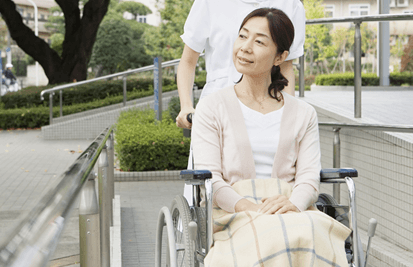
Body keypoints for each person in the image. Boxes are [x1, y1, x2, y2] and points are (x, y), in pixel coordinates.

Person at [192, 8, 350, 266]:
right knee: (271, 235)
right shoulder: (212, 107)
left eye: (259, 41)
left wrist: (293, 204)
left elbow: (309, 177)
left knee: (310, 231)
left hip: (291, 208)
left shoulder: (303, 113)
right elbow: (211, 178)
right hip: (234, 212)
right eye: (242, 37)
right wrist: (247, 206)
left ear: (281, 56)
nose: (245, 47)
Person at [176, 0, 305, 129]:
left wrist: (289, 112)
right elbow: (188, 61)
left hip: (270, 108)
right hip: (217, 107)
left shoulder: (290, 4)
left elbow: (286, 67)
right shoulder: (208, 2)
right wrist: (186, 106)